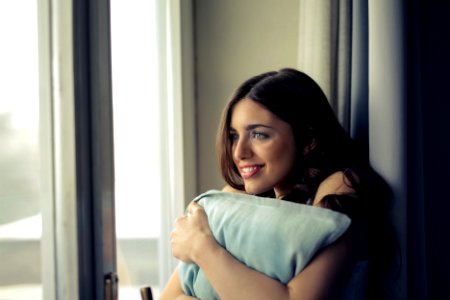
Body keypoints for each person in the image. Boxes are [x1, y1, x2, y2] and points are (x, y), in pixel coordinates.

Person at [159, 68, 398, 300]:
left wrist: (202, 247)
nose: (239, 152)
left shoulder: (340, 187)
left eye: (259, 134)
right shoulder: (238, 203)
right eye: (234, 136)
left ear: (308, 140)